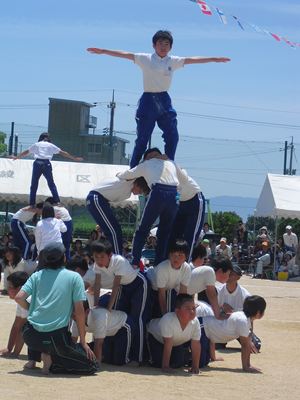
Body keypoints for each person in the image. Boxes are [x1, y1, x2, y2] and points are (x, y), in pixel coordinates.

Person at [87, 30, 230, 167]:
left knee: (173, 135)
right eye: (160, 43)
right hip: (148, 100)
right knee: (142, 138)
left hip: (164, 100)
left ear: (171, 47)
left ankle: (169, 163)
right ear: (154, 45)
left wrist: (213, 59)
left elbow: (192, 60)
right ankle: (133, 169)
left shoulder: (173, 61)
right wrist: (104, 51)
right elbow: (126, 54)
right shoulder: (145, 59)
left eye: (167, 44)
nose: (163, 46)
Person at [15, 242, 97, 375]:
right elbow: (79, 311)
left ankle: (33, 358)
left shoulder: (37, 275)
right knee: (92, 365)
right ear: (64, 258)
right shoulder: (74, 277)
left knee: (37, 321)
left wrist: (31, 310)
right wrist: (83, 341)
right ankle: (53, 362)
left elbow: (19, 297)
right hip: (55, 337)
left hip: (30, 335)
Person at [117, 147, 180, 267]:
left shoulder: (146, 164)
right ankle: (159, 264)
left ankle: (135, 262)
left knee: (143, 229)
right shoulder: (170, 163)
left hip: (159, 192)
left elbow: (127, 174)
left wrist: (118, 174)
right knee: (165, 232)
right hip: (175, 194)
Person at [91, 239, 150, 363]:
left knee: (137, 318)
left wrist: (109, 308)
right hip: (124, 287)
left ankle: (137, 357)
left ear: (110, 255)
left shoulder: (118, 261)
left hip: (138, 284)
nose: (99, 260)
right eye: (96, 257)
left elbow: (116, 286)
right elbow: (97, 284)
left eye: (102, 257)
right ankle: (110, 353)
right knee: (118, 316)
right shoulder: (97, 265)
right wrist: (95, 305)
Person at [197, 295, 266, 372]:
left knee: (205, 361)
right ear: (258, 313)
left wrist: (213, 357)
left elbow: (214, 332)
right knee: (200, 363)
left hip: (206, 332)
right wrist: (247, 366)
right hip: (201, 327)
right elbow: (245, 345)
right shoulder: (243, 321)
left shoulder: (244, 318)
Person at [12, 132, 83, 206]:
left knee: (34, 184)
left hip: (37, 163)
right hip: (46, 163)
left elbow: (27, 152)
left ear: (41, 138)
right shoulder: (50, 145)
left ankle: (32, 203)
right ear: (47, 138)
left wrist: (17, 157)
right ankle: (57, 201)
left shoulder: (37, 144)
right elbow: (62, 152)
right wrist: (74, 158)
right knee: (51, 183)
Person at [86, 177, 149, 255]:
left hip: (102, 201)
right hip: (96, 198)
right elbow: (132, 170)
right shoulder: (128, 180)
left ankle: (113, 255)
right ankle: (117, 256)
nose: (137, 194)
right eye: (139, 191)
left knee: (116, 229)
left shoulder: (127, 194)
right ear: (136, 184)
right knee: (114, 232)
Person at [147, 293, 200, 373]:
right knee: (158, 363)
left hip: (175, 342)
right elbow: (167, 343)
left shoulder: (195, 322)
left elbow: (196, 344)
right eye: (187, 308)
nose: (192, 311)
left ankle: (184, 354)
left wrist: (195, 367)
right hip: (155, 337)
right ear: (177, 311)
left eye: (193, 308)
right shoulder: (168, 320)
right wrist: (165, 366)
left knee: (178, 363)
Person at [71, 302, 136, 366]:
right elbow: (73, 340)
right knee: (107, 358)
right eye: (72, 313)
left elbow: (99, 343)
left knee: (119, 361)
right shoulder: (75, 318)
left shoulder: (99, 316)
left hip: (123, 327)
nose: (73, 316)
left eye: (77, 312)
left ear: (87, 311)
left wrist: (96, 364)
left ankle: (135, 356)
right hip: (107, 334)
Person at [168, 165, 205, 262]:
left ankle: (186, 263)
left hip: (194, 200)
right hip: (179, 203)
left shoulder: (174, 169)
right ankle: (170, 262)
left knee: (191, 236)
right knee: (173, 235)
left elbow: (183, 175)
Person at [147, 239, 191, 316]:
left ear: (186, 258)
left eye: (180, 255)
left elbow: (182, 293)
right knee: (150, 312)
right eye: (173, 254)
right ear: (169, 255)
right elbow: (161, 295)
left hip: (167, 288)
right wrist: (165, 316)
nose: (176, 258)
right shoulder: (163, 268)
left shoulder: (187, 268)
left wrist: (182, 313)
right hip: (150, 284)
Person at [186, 244, 222, 319]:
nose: (205, 262)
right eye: (204, 259)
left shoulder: (194, 268)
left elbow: (192, 292)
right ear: (199, 258)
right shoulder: (189, 269)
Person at [0, 271, 29, 358]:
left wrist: (15, 354)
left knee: (26, 326)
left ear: (19, 288)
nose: (7, 289)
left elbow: (23, 328)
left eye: (10, 287)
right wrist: (9, 349)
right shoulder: (20, 299)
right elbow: (16, 325)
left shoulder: (27, 298)